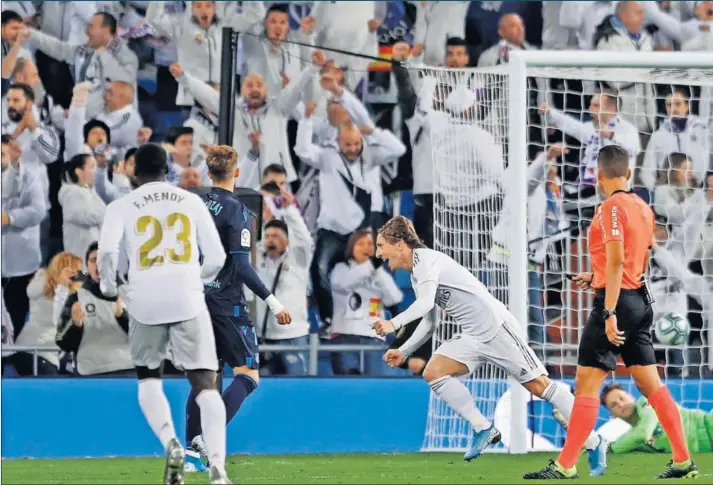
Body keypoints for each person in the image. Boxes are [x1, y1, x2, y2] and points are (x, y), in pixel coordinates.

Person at [371, 216, 607, 472]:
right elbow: (429, 322)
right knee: (434, 372)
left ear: (399, 244)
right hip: (472, 334)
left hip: (496, 328)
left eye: (381, 245)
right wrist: (405, 351)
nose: (378, 253)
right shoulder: (418, 274)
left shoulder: (427, 261)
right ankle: (483, 428)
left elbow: (426, 303)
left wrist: (393, 323)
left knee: (540, 386)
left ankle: (595, 441)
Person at [524, 145, 698, 480]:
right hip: (640, 301)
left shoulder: (609, 209)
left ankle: (566, 464)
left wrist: (608, 311)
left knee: (587, 385)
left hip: (616, 305)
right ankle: (683, 460)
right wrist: (597, 278)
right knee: (652, 385)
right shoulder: (644, 208)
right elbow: (635, 261)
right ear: (629, 173)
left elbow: (618, 260)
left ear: (598, 175)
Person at [96, 143, 230, 485]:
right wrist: (191, 278)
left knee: (149, 378)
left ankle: (171, 443)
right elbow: (216, 257)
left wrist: (112, 289)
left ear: (134, 171)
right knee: (206, 385)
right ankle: (217, 469)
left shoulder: (121, 206)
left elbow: (108, 255)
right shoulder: (191, 201)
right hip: (187, 298)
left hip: (144, 300)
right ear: (166, 169)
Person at [184, 145, 292, 473]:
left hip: (195, 298)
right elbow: (242, 266)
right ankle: (205, 437)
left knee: (206, 374)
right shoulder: (237, 210)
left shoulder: (193, 205)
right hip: (226, 302)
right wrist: (273, 303)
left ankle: (191, 453)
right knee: (249, 376)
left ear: (208, 171)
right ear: (237, 174)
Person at [555, 383, 713, 454]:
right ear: (612, 415)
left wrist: (611, 448)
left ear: (631, 396)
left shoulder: (647, 401)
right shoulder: (634, 441)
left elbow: (644, 432)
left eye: (622, 398)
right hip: (705, 449)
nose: (620, 404)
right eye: (614, 405)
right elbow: (596, 449)